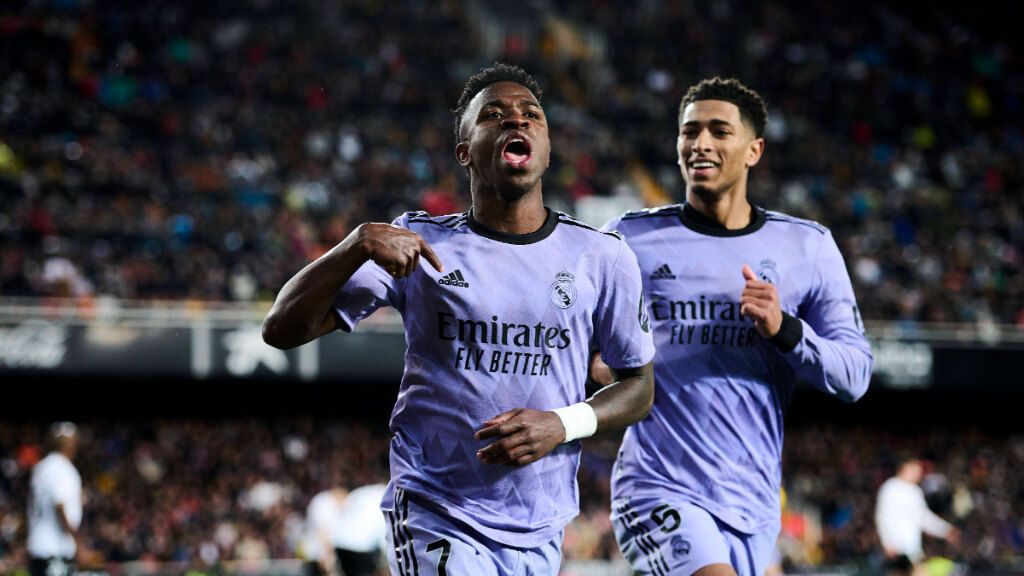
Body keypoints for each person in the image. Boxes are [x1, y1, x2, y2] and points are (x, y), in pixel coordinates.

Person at [263, 63, 655, 575]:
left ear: (547, 146)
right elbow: (281, 329)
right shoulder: (422, 244)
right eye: (494, 114)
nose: (516, 120)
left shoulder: (602, 257)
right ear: (465, 151)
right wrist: (355, 244)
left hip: (540, 523)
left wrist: (563, 424)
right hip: (436, 510)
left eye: (531, 114)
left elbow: (639, 386)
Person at [600, 77, 873, 576]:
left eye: (719, 131)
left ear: (754, 150)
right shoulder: (629, 238)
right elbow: (576, 341)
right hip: (658, 485)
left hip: (754, 502)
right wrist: (609, 368)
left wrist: (785, 330)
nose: (699, 143)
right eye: (690, 131)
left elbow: (854, 375)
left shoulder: (807, 247)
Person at [875, 458, 960, 576]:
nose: (917, 474)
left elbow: (923, 518)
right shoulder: (890, 488)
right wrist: (887, 542)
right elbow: (882, 516)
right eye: (913, 470)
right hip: (896, 547)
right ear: (903, 469)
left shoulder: (915, 491)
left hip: (911, 546)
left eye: (918, 471)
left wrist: (945, 530)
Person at [26, 422, 85, 576]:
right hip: (55, 550)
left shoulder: (41, 467)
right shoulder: (62, 468)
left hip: (38, 548)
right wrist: (79, 543)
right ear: (71, 443)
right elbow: (59, 507)